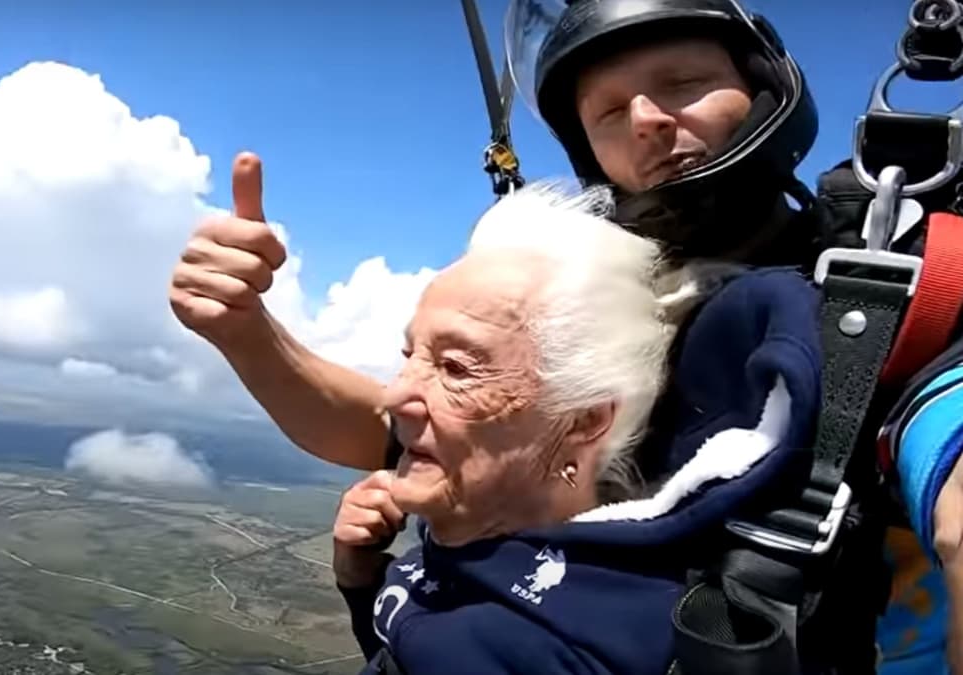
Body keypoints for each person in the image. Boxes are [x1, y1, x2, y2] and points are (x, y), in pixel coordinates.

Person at [166, 0, 963, 670]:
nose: (648, 122)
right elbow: (396, 426)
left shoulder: (884, 288)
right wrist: (247, 331)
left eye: (682, 84)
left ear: (764, 90)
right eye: (608, 112)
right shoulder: (606, 293)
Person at [330, 178, 824, 674]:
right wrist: (361, 579)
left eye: (456, 368)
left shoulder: (565, 642)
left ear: (585, 420)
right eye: (409, 355)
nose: (395, 394)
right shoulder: (500, 546)